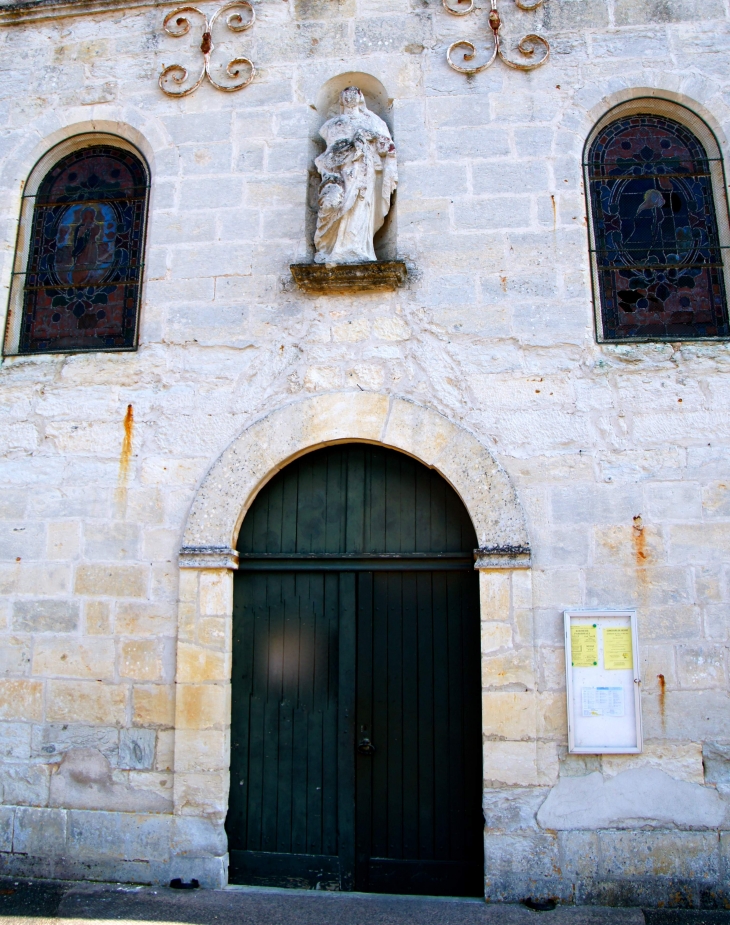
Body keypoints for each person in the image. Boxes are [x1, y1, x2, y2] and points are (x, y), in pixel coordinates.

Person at [314, 86, 397, 265]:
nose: (350, 98)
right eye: (346, 96)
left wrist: (373, 141)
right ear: (341, 100)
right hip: (342, 173)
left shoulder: (374, 122)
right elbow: (330, 155)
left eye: (354, 95)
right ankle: (336, 247)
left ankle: (359, 248)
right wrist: (354, 143)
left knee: (362, 205)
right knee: (338, 204)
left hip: (366, 173)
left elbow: (386, 148)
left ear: (360, 99)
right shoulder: (333, 125)